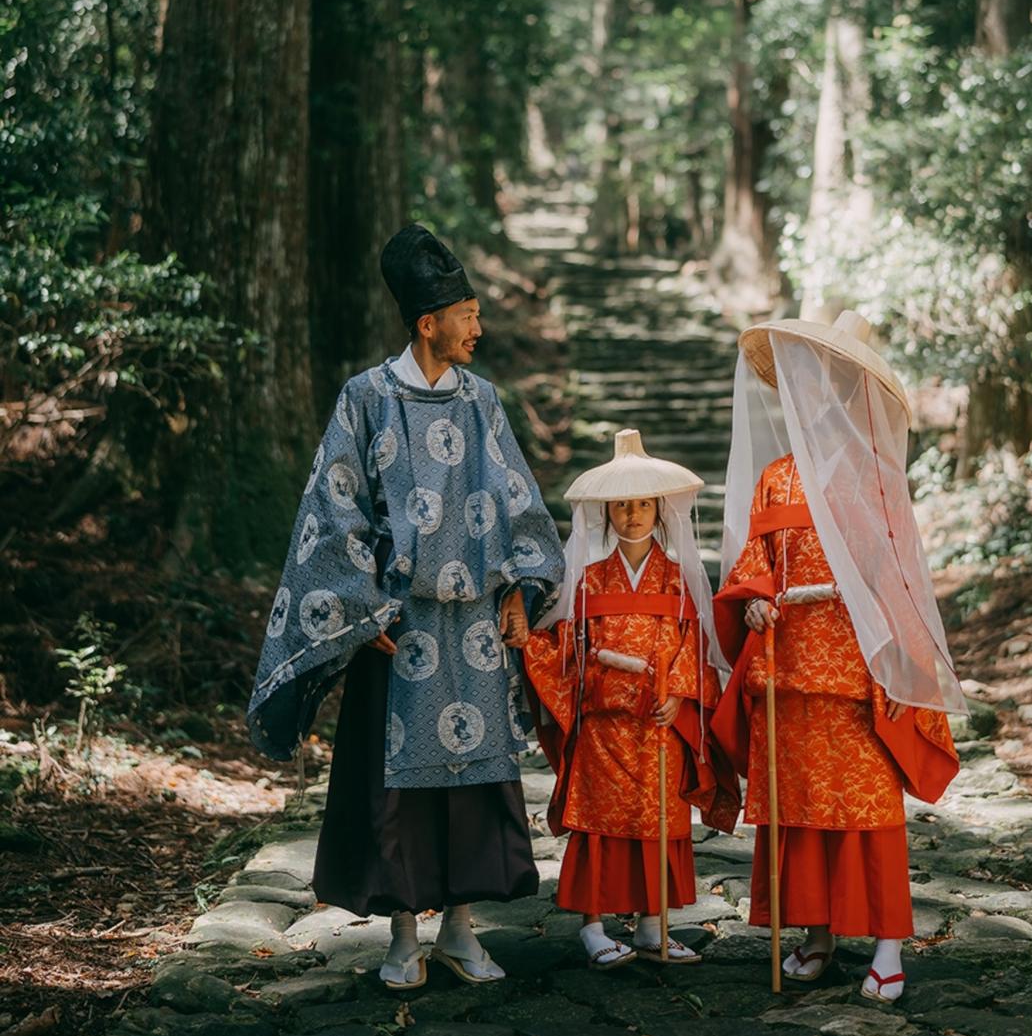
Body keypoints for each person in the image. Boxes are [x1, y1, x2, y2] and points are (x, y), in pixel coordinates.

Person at [247, 223, 565, 990]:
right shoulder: (366, 399)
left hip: (476, 627)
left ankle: (460, 930)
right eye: (467, 315)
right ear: (429, 323)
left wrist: (522, 592)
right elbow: (334, 510)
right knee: (398, 788)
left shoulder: (483, 401)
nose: (478, 329)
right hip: (402, 626)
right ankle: (401, 937)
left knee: (474, 785)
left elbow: (519, 502)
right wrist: (364, 609)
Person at [713, 312, 964, 1003]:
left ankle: (887, 943)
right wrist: (755, 599)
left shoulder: (876, 480)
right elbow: (754, 561)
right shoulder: (777, 479)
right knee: (796, 809)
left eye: (835, 388)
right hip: (789, 666)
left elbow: (901, 579)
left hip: (857, 669)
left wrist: (891, 646)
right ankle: (815, 931)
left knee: (868, 811)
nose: (821, 400)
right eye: (811, 387)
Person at [524, 431, 739, 969]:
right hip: (602, 726)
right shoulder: (588, 581)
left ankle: (650, 924)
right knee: (598, 824)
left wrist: (685, 701)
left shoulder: (680, 583)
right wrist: (527, 640)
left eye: (644, 504)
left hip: (661, 723)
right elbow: (566, 650)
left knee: (660, 823)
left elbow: (696, 646)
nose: (634, 514)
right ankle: (593, 925)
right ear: (607, 514)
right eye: (623, 505)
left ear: (660, 511)